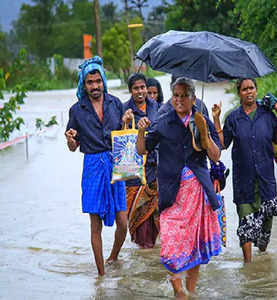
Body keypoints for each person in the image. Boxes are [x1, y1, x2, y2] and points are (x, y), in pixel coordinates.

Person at [136, 77, 222, 298]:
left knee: (194, 246)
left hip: (198, 191)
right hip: (171, 194)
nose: (180, 99)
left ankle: (190, 291)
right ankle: (178, 291)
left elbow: (215, 155)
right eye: (176, 95)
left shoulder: (200, 118)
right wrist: (141, 131)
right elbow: (142, 150)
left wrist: (204, 133)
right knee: (171, 245)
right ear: (171, 97)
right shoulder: (163, 121)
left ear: (193, 98)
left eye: (184, 95)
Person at [65, 56, 132, 276]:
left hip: (114, 163)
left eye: (98, 81)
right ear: (84, 85)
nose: (95, 86)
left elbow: (123, 137)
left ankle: (113, 255)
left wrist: (125, 122)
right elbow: (73, 147)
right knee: (96, 225)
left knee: (123, 222)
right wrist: (71, 139)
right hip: (93, 166)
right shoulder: (76, 110)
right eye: (90, 82)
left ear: (103, 81)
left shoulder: (116, 103)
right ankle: (101, 274)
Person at [212, 78, 277, 263]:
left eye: (251, 88)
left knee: (264, 233)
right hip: (243, 182)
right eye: (244, 89)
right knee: (246, 226)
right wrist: (216, 119)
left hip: (266, 182)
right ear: (239, 93)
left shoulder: (268, 115)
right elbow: (222, 144)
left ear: (257, 90)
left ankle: (262, 253)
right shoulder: (233, 118)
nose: (249, 92)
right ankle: (248, 266)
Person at [123, 73, 160, 249]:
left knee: (157, 221)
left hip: (155, 170)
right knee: (140, 225)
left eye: (143, 87)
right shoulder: (125, 110)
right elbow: (118, 142)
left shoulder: (157, 108)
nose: (140, 91)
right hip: (134, 174)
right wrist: (125, 123)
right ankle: (142, 256)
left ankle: (153, 261)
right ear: (130, 90)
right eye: (136, 88)